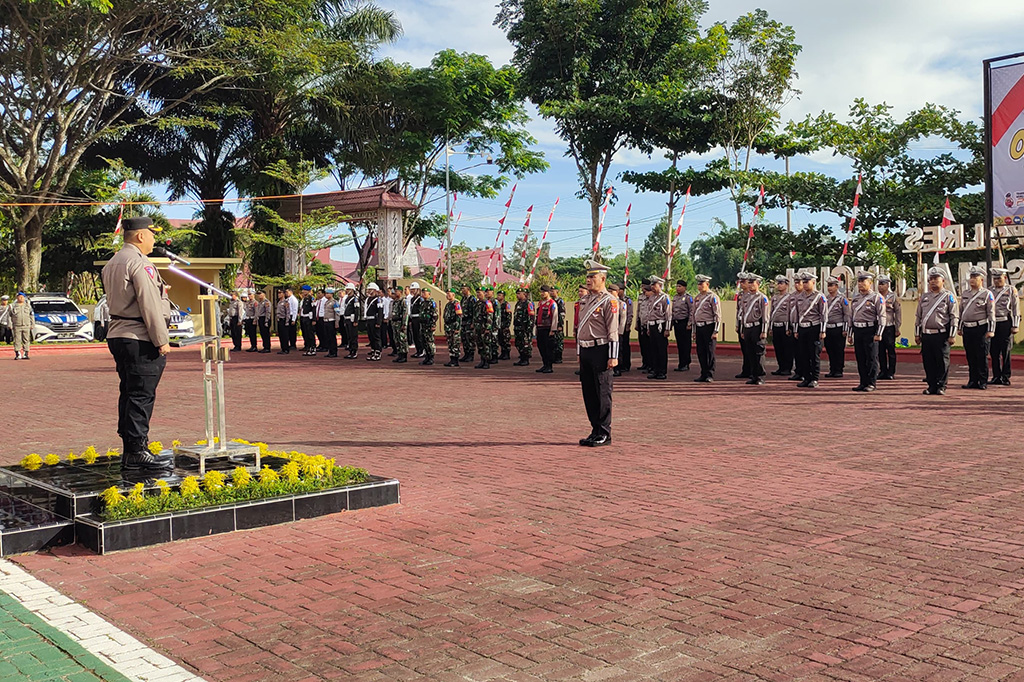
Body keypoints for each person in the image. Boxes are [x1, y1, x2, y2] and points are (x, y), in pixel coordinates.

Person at [99, 216, 173, 472]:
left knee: (129, 392)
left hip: (119, 333)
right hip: (140, 335)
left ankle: (132, 446)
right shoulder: (140, 263)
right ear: (141, 235)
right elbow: (148, 304)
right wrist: (161, 340)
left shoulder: (112, 262)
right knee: (142, 393)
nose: (154, 238)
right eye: (152, 233)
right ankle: (136, 451)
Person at [576, 260, 619, 447]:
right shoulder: (585, 300)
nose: (588, 280)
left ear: (602, 278)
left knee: (602, 392)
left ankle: (604, 432)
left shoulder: (609, 300)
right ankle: (595, 429)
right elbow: (580, 328)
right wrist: (579, 351)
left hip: (601, 349)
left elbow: (613, 330)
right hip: (585, 349)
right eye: (587, 276)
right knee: (589, 392)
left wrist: (613, 355)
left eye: (592, 276)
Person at [915, 267, 959, 395]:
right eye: (931, 279)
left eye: (936, 279)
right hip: (926, 334)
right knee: (928, 361)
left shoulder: (948, 296)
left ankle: (941, 385)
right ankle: (931, 385)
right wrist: (917, 334)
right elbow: (919, 316)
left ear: (943, 280)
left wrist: (952, 335)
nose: (933, 282)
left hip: (941, 334)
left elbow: (954, 316)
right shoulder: (925, 297)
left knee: (942, 361)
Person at [958, 266, 995, 390]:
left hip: (981, 328)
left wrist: (991, 330)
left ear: (981, 280)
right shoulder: (965, 294)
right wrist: (960, 327)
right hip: (968, 328)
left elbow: (991, 313)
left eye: (975, 277)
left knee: (981, 355)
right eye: (971, 277)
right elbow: (961, 311)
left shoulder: (987, 294)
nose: (972, 279)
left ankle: (982, 380)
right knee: (970, 355)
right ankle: (972, 380)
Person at [848, 271, 886, 392]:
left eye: (863, 281)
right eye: (859, 281)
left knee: (871, 357)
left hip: (870, 330)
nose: (860, 284)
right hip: (858, 330)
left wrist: (879, 333)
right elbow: (851, 316)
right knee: (860, 357)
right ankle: (863, 382)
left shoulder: (876, 297)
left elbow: (881, 316)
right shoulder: (856, 298)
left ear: (870, 283)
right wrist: (850, 333)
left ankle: (871, 383)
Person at [791, 272, 827, 388]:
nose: (805, 284)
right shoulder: (799, 297)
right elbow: (796, 314)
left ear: (813, 282)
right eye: (803, 282)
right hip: (802, 328)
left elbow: (823, 315)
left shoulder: (819, 296)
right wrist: (796, 330)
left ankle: (814, 378)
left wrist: (822, 330)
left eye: (807, 282)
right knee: (803, 354)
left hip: (814, 327)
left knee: (814, 355)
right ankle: (806, 378)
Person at [989, 267, 1019, 385]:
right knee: (993, 351)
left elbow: (1016, 309)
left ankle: (1005, 376)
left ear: (1005, 278)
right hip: (992, 323)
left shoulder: (1011, 290)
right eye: (995, 278)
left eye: (999, 278)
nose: (996, 281)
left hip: (1005, 322)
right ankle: (996, 376)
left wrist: (1015, 325)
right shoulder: (989, 291)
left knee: (1005, 351)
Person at [739, 274, 769, 385]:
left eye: (753, 283)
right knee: (750, 352)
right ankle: (753, 375)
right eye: (749, 282)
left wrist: (764, 330)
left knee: (759, 353)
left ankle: (760, 376)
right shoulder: (745, 297)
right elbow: (742, 314)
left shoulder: (762, 297)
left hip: (757, 327)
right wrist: (742, 329)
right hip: (747, 327)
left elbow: (765, 316)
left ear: (758, 284)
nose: (751, 285)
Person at [691, 275, 720, 382]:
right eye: (698, 284)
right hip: (699, 327)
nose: (699, 286)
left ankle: (709, 374)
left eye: (701, 284)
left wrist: (716, 330)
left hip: (709, 326)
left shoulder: (713, 297)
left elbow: (717, 315)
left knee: (709, 351)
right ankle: (703, 373)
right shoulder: (697, 297)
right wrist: (694, 331)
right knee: (701, 351)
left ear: (707, 284)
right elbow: (694, 314)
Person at [823, 276, 850, 378]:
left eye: (831, 285)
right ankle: (832, 369)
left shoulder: (842, 299)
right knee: (830, 349)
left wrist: (845, 329)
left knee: (838, 349)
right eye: (828, 285)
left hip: (838, 328)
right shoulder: (826, 298)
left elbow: (846, 314)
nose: (829, 288)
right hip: (828, 328)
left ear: (837, 286)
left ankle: (839, 369)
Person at [645, 276, 671, 380]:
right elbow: (649, 313)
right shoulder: (651, 298)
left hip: (661, 325)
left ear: (660, 285)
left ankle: (662, 371)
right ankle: (655, 370)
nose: (652, 287)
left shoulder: (665, 297)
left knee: (661, 350)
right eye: (651, 285)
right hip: (652, 325)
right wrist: (648, 327)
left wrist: (667, 329)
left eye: (654, 285)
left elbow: (668, 314)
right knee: (653, 349)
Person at [769, 275, 795, 376]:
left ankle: (787, 368)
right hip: (776, 325)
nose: (779, 285)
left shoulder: (790, 297)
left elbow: (790, 313)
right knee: (778, 348)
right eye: (778, 283)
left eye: (781, 283)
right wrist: (770, 327)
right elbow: (772, 313)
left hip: (785, 326)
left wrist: (789, 327)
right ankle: (781, 367)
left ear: (787, 285)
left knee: (787, 348)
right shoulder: (775, 298)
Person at [877, 275, 902, 380]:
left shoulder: (893, 297)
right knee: (880, 351)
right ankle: (883, 371)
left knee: (891, 350)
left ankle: (891, 372)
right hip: (878, 327)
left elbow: (898, 312)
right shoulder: (876, 296)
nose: (880, 286)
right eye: (879, 284)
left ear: (888, 285)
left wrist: (897, 327)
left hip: (889, 326)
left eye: (883, 284)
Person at [535, 285, 557, 373]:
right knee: (541, 347)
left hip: (548, 328)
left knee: (548, 348)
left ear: (548, 292)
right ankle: (544, 364)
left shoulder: (552, 303)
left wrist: (553, 329)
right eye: (541, 292)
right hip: (540, 328)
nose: (542, 293)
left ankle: (549, 366)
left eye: (544, 292)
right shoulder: (540, 303)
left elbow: (555, 317)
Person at [672, 280, 693, 371]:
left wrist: (689, 323)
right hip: (677, 323)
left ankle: (686, 363)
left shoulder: (688, 298)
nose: (678, 288)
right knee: (679, 344)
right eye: (677, 286)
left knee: (686, 344)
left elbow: (692, 311)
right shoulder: (675, 297)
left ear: (685, 288)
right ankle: (681, 363)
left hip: (685, 323)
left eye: (680, 286)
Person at [608, 284, 628, 377]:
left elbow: (623, 319)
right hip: (608, 331)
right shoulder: (608, 302)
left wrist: (620, 332)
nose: (610, 293)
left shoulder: (621, 304)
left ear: (617, 292)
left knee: (618, 350)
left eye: (611, 291)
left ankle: (618, 369)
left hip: (617, 330)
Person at [734, 272, 751, 379]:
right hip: (741, 322)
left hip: (749, 322)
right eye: (740, 282)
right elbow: (738, 310)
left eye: (744, 281)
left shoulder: (752, 295)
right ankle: (745, 370)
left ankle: (752, 370)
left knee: (750, 348)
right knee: (744, 348)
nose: (742, 284)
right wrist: (737, 324)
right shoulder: (740, 295)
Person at [474, 286, 495, 369]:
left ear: (484, 293)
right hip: (478, 327)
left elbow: (490, 316)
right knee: (480, 345)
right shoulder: (477, 304)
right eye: (477, 293)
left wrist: (488, 327)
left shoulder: (487, 303)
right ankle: (482, 360)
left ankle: (487, 361)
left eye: (480, 292)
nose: (478, 294)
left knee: (486, 344)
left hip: (484, 327)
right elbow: (474, 315)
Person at [513, 287, 534, 366]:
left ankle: (525, 359)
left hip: (525, 328)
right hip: (518, 327)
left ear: (524, 294)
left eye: (519, 294)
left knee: (525, 343)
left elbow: (531, 317)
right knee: (518, 343)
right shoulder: (518, 304)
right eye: (517, 294)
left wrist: (529, 328)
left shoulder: (528, 304)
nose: (517, 295)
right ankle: (521, 357)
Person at [10, 292, 34, 360]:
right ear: (17, 298)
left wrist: (32, 324)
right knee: (17, 339)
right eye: (19, 297)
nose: (21, 298)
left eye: (22, 297)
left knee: (26, 339)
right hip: (17, 325)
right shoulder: (13, 306)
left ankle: (25, 353)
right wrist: (10, 324)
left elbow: (31, 315)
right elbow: (9, 316)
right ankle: (18, 353)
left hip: (26, 325)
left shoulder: (28, 306)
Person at [364, 284, 384, 361]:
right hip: (369, 320)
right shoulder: (368, 299)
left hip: (374, 320)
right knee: (371, 337)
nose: (369, 291)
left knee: (376, 337)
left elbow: (380, 311)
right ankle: (373, 350)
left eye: (370, 289)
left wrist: (378, 322)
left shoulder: (378, 299)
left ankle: (378, 352)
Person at [443, 289, 463, 367]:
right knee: (450, 344)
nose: (448, 295)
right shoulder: (448, 305)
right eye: (447, 293)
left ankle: (455, 360)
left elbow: (459, 317)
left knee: (455, 344)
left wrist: (457, 328)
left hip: (454, 327)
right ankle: (452, 359)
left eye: (449, 294)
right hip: (448, 328)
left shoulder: (456, 304)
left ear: (453, 295)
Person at [419, 288, 438, 365]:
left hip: (429, 325)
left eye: (425, 292)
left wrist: (433, 325)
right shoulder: (423, 303)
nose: (423, 294)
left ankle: (431, 357)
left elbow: (435, 315)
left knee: (430, 342)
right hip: (423, 325)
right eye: (422, 292)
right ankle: (427, 356)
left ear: (429, 294)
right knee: (424, 341)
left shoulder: (431, 303)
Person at [341, 282, 360, 359]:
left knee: (353, 336)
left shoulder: (355, 299)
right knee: (349, 336)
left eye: (348, 289)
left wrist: (356, 320)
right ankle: (350, 350)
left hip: (352, 320)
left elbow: (356, 310)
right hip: (347, 318)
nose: (347, 291)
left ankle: (354, 351)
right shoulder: (346, 299)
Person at [390, 288, 409, 363]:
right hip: (395, 323)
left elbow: (405, 313)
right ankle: (399, 354)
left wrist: (404, 324)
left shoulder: (403, 301)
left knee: (402, 339)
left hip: (400, 322)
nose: (395, 292)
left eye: (397, 291)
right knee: (396, 339)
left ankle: (404, 355)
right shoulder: (395, 301)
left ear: (400, 292)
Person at [458, 285, 477, 363]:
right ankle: (466, 354)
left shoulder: (472, 299)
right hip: (464, 322)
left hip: (469, 321)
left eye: (464, 289)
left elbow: (475, 312)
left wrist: (473, 322)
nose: (462, 290)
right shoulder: (463, 299)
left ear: (468, 289)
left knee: (470, 339)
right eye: (461, 288)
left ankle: (471, 355)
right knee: (464, 339)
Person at [635, 284, 651, 372]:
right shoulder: (642, 298)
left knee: (649, 347)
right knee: (643, 345)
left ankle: (650, 364)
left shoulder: (652, 300)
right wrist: (637, 323)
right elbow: (639, 311)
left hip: (649, 325)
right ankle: (645, 363)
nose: (645, 292)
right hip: (642, 324)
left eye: (646, 290)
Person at [319, 288, 339, 358]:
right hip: (326, 320)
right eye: (326, 293)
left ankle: (334, 351)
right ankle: (330, 351)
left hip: (331, 321)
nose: (326, 295)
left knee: (332, 337)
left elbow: (337, 313)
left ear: (331, 294)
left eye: (328, 293)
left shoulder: (334, 302)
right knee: (327, 337)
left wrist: (337, 323)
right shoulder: (326, 302)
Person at [618, 285, 634, 373]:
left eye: (619, 290)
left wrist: (628, 325)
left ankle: (626, 364)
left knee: (625, 346)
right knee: (619, 347)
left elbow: (630, 314)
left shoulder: (627, 300)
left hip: (625, 327)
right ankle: (620, 364)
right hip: (618, 326)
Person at [496, 290, 513, 360]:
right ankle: (503, 353)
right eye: (497, 295)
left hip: (504, 325)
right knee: (500, 340)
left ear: (503, 296)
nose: (498, 297)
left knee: (506, 340)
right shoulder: (496, 304)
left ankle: (507, 353)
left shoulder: (506, 304)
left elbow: (509, 315)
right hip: (498, 325)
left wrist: (507, 325)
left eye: (500, 295)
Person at [408, 282, 424, 358]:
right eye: (411, 290)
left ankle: (422, 350)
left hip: (418, 318)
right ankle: (418, 350)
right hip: (413, 318)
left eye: (414, 290)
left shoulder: (420, 299)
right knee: (415, 335)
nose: (412, 291)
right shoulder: (412, 299)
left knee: (419, 335)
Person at [299, 285, 316, 355]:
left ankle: (313, 348)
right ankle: (308, 347)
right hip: (304, 317)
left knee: (310, 334)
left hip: (309, 318)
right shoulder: (304, 299)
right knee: (306, 333)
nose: (303, 291)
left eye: (305, 290)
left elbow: (314, 309)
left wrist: (313, 319)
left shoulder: (311, 298)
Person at [552, 286, 566, 364]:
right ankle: (554, 356)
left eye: (553, 291)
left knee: (559, 341)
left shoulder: (560, 301)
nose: (551, 292)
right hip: (552, 325)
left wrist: (560, 325)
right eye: (550, 291)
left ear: (557, 291)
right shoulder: (550, 301)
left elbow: (562, 313)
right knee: (553, 341)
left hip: (558, 324)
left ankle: (559, 357)